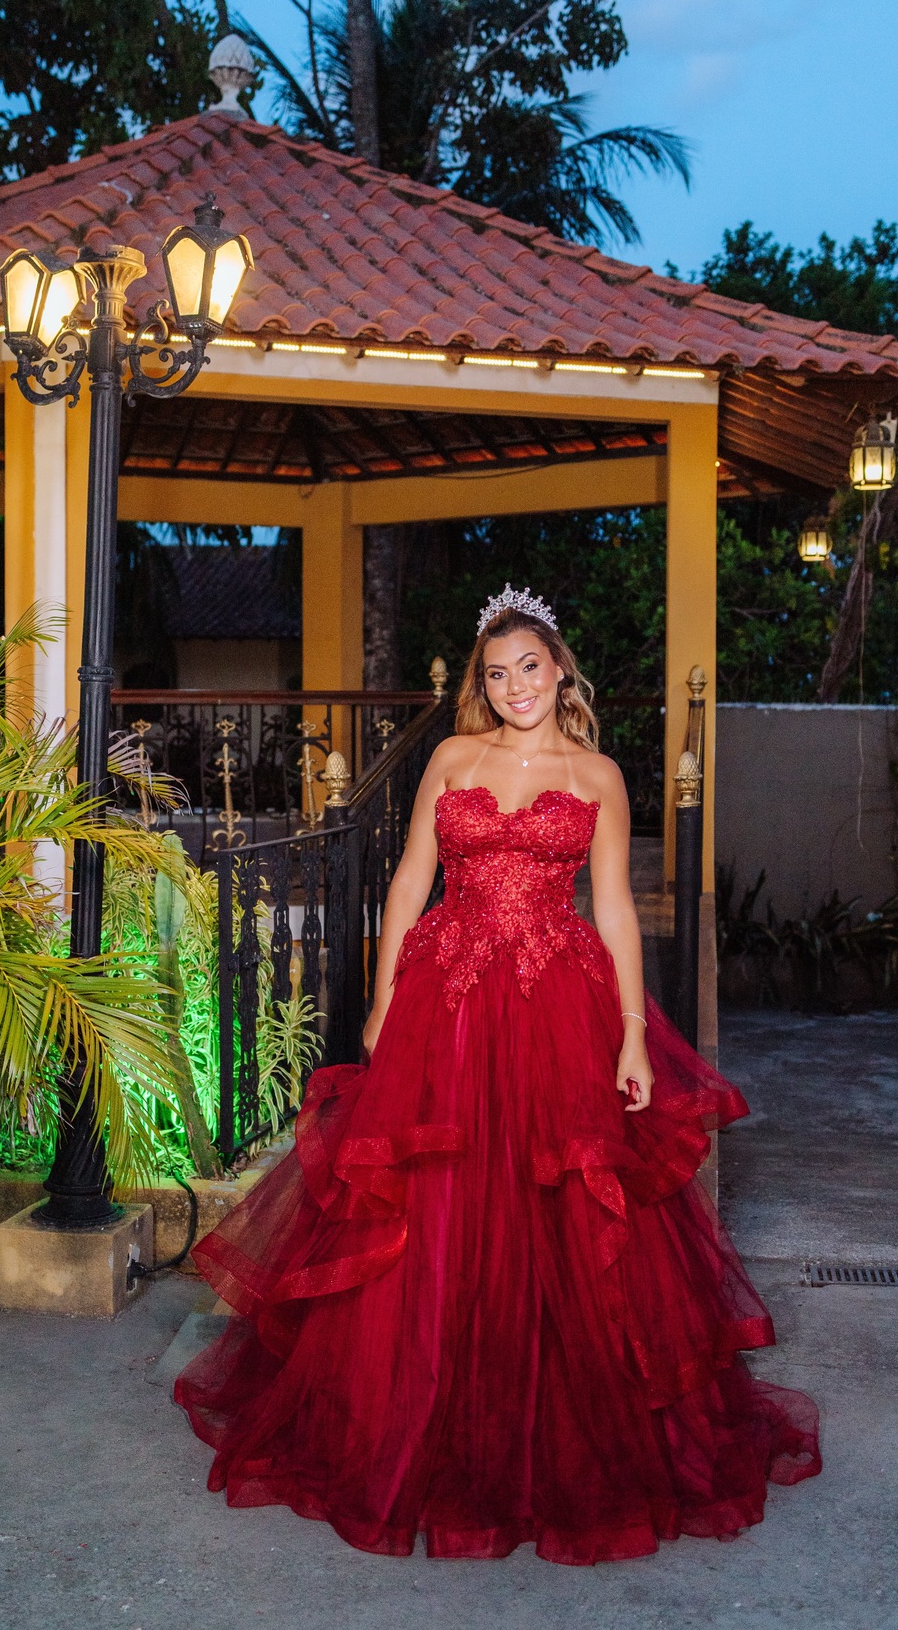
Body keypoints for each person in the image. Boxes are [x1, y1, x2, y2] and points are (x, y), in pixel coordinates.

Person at [175, 587, 821, 1564]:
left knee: (556, 1216)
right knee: (435, 1213)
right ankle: (417, 1420)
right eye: (497, 673)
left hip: (558, 1004)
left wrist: (633, 1038)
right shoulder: (452, 757)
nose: (516, 686)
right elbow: (409, 881)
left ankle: (553, 1435)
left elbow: (614, 909)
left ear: (559, 670)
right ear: (482, 685)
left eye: (529, 667)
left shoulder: (598, 775)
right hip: (448, 998)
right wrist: (385, 998)